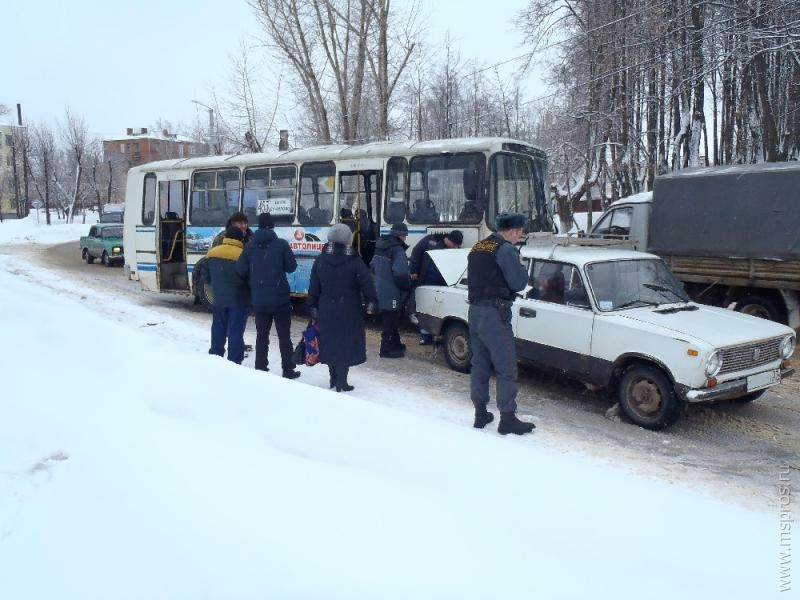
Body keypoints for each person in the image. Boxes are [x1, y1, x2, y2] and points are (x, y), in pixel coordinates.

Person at [467, 212, 535, 435]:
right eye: (520, 233)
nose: (519, 237)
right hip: (495, 314)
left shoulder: (479, 247)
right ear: (514, 230)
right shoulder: (506, 249)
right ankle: (507, 419)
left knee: (480, 364)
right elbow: (518, 282)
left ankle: (480, 413)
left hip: (475, 311)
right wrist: (520, 265)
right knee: (506, 367)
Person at [308, 224, 378, 392]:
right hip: (349, 309)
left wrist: (312, 306)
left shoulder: (320, 259)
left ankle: (333, 379)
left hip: (326, 308)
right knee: (345, 343)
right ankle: (342, 381)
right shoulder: (355, 260)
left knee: (329, 341)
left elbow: (313, 287)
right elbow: (367, 284)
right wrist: (371, 302)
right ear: (348, 239)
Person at [236, 213, 300, 379]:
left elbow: (241, 270)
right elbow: (291, 267)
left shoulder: (249, 246)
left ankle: (261, 367)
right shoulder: (281, 245)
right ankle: (288, 369)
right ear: (272, 226)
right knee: (284, 336)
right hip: (280, 299)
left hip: (259, 299)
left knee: (261, 335)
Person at [204, 226, 250, 364]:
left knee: (218, 327)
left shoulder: (212, 253)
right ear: (240, 239)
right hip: (239, 300)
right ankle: (234, 361)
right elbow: (248, 279)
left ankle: (216, 354)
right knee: (235, 330)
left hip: (219, 299)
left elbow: (206, 278)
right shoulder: (243, 255)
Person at [409, 230, 464, 344]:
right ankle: (425, 335)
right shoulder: (430, 241)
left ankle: (437, 335)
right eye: (454, 245)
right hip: (427, 279)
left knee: (440, 309)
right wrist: (413, 270)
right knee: (425, 307)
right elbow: (416, 253)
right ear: (449, 239)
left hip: (444, 282)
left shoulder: (453, 250)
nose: (455, 248)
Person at [371, 222, 411, 358]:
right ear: (401, 235)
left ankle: (396, 344)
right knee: (391, 318)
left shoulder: (380, 246)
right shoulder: (397, 250)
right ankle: (386, 349)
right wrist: (407, 285)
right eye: (405, 236)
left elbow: (372, 266)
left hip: (380, 287)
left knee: (391, 316)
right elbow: (400, 274)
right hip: (392, 290)